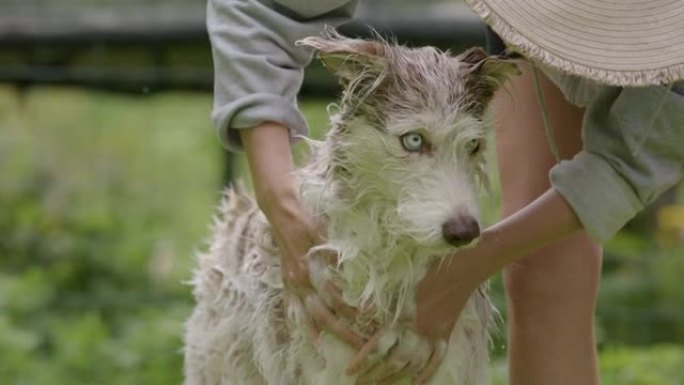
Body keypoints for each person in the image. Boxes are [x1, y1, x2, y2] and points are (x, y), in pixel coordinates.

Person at [206, 0, 684, 384]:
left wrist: (463, 271)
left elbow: (632, 163)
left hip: (668, 49)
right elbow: (257, 7)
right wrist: (281, 203)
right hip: (541, 16)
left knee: (560, 263)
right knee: (545, 270)